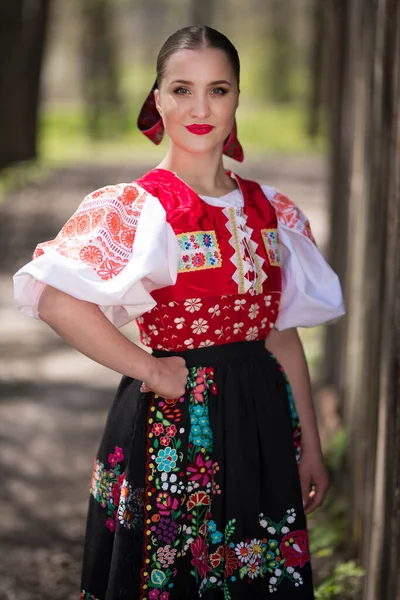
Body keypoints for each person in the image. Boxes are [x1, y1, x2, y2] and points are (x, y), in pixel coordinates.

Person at [13, 25, 345, 600]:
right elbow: (56, 297)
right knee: (169, 578)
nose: (199, 108)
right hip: (173, 426)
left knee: (256, 575)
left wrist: (310, 446)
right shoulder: (140, 208)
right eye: (181, 89)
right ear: (158, 99)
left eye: (218, 90)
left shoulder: (272, 212)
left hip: (262, 425)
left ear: (237, 98)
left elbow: (281, 336)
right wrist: (151, 368)